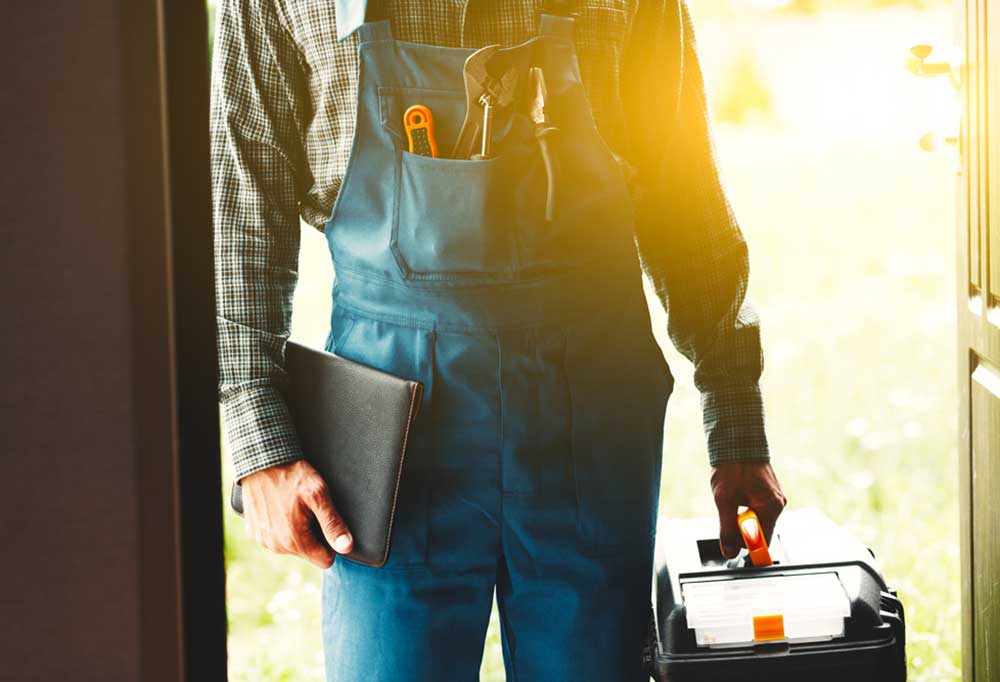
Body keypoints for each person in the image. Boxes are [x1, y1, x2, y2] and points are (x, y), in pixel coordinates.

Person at [211, 0, 787, 679]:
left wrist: (737, 423)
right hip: (388, 444)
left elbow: (683, 199)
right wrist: (259, 442)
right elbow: (244, 210)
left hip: (590, 426)